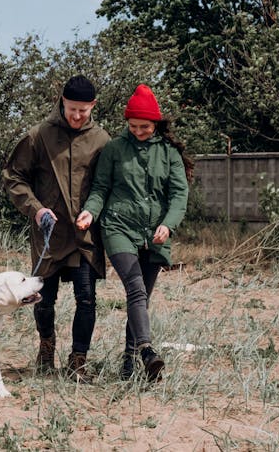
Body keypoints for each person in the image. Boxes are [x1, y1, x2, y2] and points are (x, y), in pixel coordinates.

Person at [76, 84, 191, 381]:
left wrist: (168, 223)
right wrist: (91, 211)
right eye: (133, 125)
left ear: (156, 124)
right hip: (118, 227)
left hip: (156, 234)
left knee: (140, 299)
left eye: (144, 126)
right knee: (136, 289)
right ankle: (148, 352)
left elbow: (179, 195)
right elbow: (100, 188)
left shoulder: (169, 153)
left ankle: (130, 361)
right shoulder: (114, 149)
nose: (138, 131)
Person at [2, 75, 110, 383]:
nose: (77, 116)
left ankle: (78, 361)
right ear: (62, 102)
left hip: (84, 235)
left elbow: (107, 184)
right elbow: (13, 177)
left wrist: (95, 211)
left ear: (93, 106)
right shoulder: (39, 135)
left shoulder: (102, 140)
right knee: (44, 299)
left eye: (84, 111)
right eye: (72, 109)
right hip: (49, 234)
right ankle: (46, 349)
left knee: (87, 299)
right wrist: (36, 211)